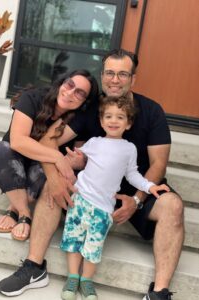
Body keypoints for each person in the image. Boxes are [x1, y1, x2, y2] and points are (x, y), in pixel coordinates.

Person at [0, 49, 184, 300]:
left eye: (122, 74)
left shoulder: (151, 111)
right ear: (103, 75)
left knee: (173, 205)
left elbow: (158, 164)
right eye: (109, 73)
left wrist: (137, 199)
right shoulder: (89, 108)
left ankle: (159, 292)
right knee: (55, 186)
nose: (114, 79)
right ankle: (34, 267)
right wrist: (53, 177)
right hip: (89, 191)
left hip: (136, 188)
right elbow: (50, 140)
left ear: (133, 79)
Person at [60, 95, 170, 300]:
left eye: (120, 117)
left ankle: (86, 281)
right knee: (74, 239)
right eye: (108, 116)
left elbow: (132, 175)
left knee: (94, 244)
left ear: (128, 124)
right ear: (101, 121)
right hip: (80, 199)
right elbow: (76, 158)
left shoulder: (129, 149)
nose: (113, 121)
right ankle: (73, 277)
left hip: (103, 208)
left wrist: (150, 186)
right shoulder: (93, 143)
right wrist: (69, 160)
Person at [0, 69, 99, 242]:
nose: (70, 93)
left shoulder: (79, 118)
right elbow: (17, 141)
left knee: (50, 167)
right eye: (69, 84)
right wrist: (57, 157)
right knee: (1, 148)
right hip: (10, 164)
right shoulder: (33, 98)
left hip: (39, 173)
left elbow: (79, 153)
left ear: (85, 102)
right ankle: (24, 213)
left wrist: (79, 160)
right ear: (62, 82)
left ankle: (14, 209)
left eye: (79, 93)